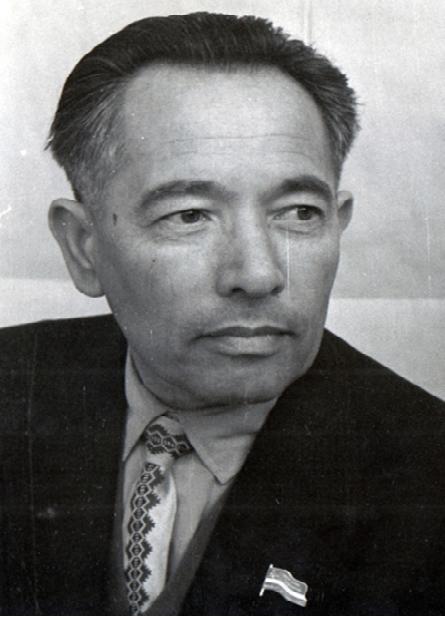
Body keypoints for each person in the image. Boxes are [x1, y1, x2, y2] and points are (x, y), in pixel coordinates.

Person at [1, 11, 444, 616]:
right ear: (83, 247)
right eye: (189, 215)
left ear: (337, 225)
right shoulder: (13, 385)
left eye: (299, 212)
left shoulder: (427, 474)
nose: (258, 274)